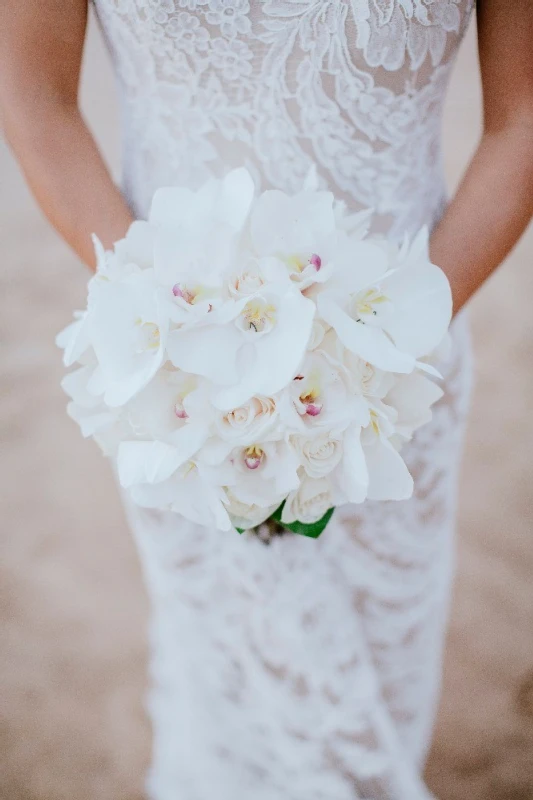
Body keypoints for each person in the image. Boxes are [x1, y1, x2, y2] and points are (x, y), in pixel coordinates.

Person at [1, 2, 532, 798]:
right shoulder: (172, 370)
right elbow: (33, 93)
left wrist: (374, 352)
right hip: (175, 386)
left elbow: (520, 117)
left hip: (392, 385)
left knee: (379, 684)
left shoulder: (390, 368)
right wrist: (168, 329)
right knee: (216, 674)